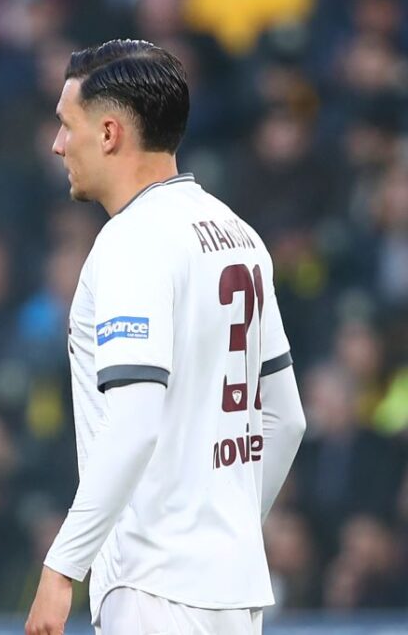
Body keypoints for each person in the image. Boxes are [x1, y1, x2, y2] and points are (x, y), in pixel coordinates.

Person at [23, 40, 308, 635]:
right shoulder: (239, 234)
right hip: (233, 588)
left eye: (67, 125)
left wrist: (62, 568)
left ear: (109, 134)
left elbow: (134, 424)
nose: (57, 144)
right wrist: (229, 530)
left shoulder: (132, 242)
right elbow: (287, 419)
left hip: (152, 585)